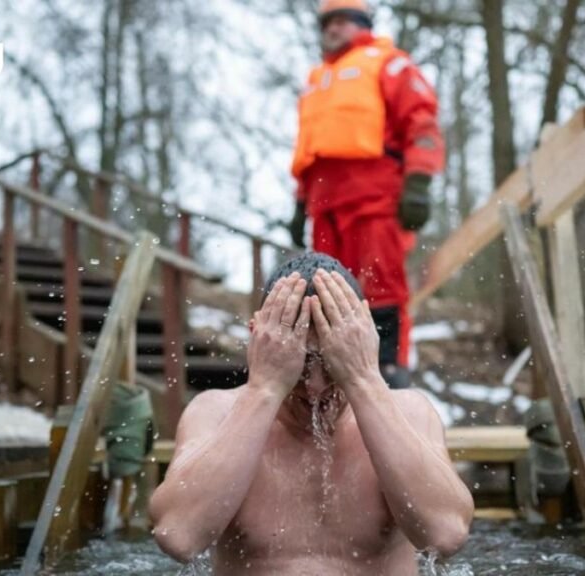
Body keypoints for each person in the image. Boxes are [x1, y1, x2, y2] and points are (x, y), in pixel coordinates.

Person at [150, 253, 473, 575]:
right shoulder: (216, 413)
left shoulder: (408, 412)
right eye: (300, 363)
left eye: (332, 361)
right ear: (261, 339)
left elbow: (445, 536)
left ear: (363, 340)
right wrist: (266, 387)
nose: (315, 387)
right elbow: (179, 537)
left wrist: (362, 379)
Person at [288, 0, 445, 389]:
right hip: (325, 206)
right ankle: (335, 374)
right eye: (327, 22)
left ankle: (387, 368)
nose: (332, 28)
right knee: (328, 291)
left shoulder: (389, 63)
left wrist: (419, 183)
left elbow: (421, 123)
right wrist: (299, 205)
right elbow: (309, 149)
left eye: (341, 21)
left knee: (380, 283)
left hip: (376, 197)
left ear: (362, 23)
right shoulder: (317, 80)